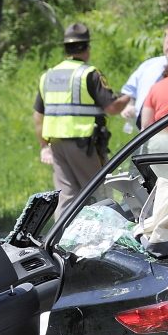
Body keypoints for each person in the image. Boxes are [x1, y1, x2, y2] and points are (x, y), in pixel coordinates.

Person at [34, 22, 126, 219]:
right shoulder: (89, 74)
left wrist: (44, 146)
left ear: (66, 48)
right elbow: (112, 107)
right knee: (98, 192)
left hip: (57, 145)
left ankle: (61, 241)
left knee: (66, 196)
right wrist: (129, 96)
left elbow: (38, 116)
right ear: (87, 48)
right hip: (84, 144)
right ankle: (104, 241)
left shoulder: (49, 75)